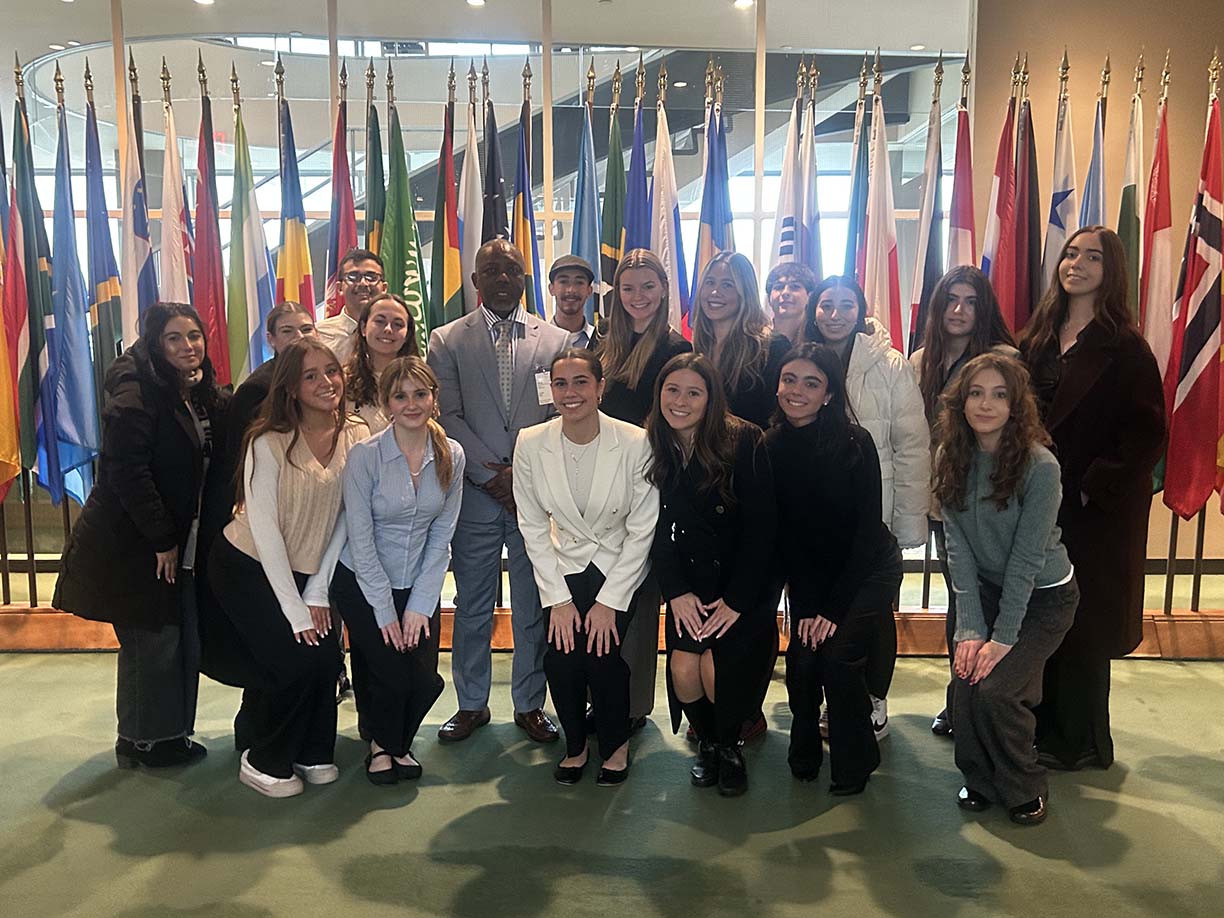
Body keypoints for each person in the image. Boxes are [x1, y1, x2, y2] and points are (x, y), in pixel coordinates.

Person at [1019, 226, 1166, 772]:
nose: (1076, 263)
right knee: (1040, 619)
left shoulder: (1125, 346)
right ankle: (1036, 729)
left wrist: (1089, 485)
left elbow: (1148, 433)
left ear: (1112, 270)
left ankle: (1078, 742)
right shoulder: (1037, 335)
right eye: (1071, 253)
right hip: (1036, 503)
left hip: (1092, 512)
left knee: (1082, 625)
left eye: (1093, 256)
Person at [55, 303, 224, 768]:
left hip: (172, 538)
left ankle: (152, 734)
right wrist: (161, 540)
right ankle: (150, 741)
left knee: (166, 636)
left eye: (194, 336)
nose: (188, 346)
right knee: (152, 639)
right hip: (136, 544)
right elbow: (127, 472)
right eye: (174, 338)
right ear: (154, 343)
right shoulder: (136, 393)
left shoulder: (193, 389)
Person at [207, 338, 368, 797]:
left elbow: (347, 519)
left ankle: (311, 750)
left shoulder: (356, 433)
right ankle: (262, 758)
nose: (325, 383)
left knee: (324, 661)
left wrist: (316, 591)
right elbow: (266, 530)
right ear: (291, 388)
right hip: (248, 566)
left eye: (331, 371)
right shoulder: (268, 440)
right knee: (293, 659)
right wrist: (296, 610)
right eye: (310, 376)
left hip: (310, 572)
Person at [427, 238, 570, 744]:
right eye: (491, 270)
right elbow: (446, 416)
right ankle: (471, 704)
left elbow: (561, 415)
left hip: (536, 498)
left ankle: (530, 704)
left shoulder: (556, 341)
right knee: (472, 607)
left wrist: (523, 477)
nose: (502, 277)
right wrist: (492, 477)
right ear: (475, 281)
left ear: (525, 278)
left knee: (534, 605)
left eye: (512, 268)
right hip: (475, 496)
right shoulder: (446, 340)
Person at [935, 351, 1079, 826]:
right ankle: (978, 778)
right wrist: (971, 629)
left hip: (1044, 595)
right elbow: (957, 551)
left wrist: (1002, 638)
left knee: (997, 691)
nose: (985, 404)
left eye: (999, 395)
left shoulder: (1040, 466)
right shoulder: (951, 456)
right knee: (966, 683)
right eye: (975, 393)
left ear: (1016, 405)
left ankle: (1023, 784)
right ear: (961, 402)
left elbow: (1026, 561)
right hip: (987, 588)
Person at [513, 348, 660, 785]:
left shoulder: (636, 441)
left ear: (599, 388)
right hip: (562, 563)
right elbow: (532, 525)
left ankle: (615, 745)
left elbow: (642, 527)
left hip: (618, 563)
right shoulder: (530, 442)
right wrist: (557, 598)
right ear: (551, 390)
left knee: (602, 653)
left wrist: (610, 601)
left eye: (581, 382)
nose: (570, 392)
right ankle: (575, 745)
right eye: (561, 384)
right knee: (561, 659)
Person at [766, 343, 902, 795]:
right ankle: (803, 746)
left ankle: (856, 759)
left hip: (870, 569)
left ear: (828, 394)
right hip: (812, 576)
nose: (796, 391)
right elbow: (785, 539)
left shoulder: (854, 443)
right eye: (789, 380)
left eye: (811, 383)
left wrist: (830, 610)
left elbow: (866, 534)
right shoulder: (771, 447)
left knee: (838, 658)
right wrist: (806, 607)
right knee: (802, 660)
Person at [803, 275, 930, 738]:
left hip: (877, 512)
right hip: (817, 517)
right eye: (825, 305)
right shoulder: (801, 359)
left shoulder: (890, 364)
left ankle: (874, 697)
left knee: (872, 613)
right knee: (821, 610)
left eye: (845, 305)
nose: (834, 314)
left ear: (860, 310)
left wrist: (908, 520)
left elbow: (912, 445)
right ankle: (830, 698)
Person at [646, 353, 777, 796]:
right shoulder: (655, 444)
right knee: (684, 670)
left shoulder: (744, 440)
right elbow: (656, 530)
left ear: (711, 398)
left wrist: (738, 600)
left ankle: (729, 746)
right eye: (672, 390)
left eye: (694, 392)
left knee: (715, 669)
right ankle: (709, 742)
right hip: (689, 583)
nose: (680, 401)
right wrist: (676, 592)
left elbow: (762, 532)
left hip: (742, 585)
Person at [334, 357, 465, 785]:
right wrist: (385, 609)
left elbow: (441, 533)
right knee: (385, 670)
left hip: (419, 582)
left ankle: (395, 740)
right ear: (386, 403)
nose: (412, 404)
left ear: (434, 398)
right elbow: (360, 535)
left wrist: (420, 605)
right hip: (363, 580)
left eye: (420, 394)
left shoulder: (452, 454)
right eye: (400, 396)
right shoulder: (365, 456)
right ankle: (383, 746)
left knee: (422, 679)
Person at [909, 266, 1017, 737]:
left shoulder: (1004, 361)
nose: (959, 310)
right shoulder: (918, 362)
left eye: (970, 301)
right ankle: (962, 697)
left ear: (984, 308)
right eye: (951, 299)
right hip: (941, 502)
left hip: (990, 503)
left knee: (987, 599)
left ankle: (982, 703)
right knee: (962, 600)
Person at [198, 302, 318, 715]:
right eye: (288, 331)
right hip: (256, 538)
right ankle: (256, 737)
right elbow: (240, 469)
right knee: (271, 649)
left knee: (300, 647)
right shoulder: (258, 389)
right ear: (271, 339)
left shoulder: (313, 381)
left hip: (302, 535)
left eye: (306, 328)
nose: (299, 338)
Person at [594, 248, 692, 726]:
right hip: (598, 483)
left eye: (648, 287)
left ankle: (631, 707)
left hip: (652, 479)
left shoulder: (676, 350)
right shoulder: (601, 344)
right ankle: (601, 694)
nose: (638, 297)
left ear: (664, 291)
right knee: (600, 587)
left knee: (638, 592)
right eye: (629, 288)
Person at [691, 251, 790, 430]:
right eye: (710, 282)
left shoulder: (772, 347)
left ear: (745, 292)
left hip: (752, 453)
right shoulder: (695, 348)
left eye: (727, 285)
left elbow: (779, 417)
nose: (715, 292)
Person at [346, 292, 420, 435]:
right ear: (363, 328)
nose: (388, 329)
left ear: (407, 335)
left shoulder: (420, 380)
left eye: (398, 324)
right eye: (380, 321)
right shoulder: (343, 381)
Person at [316, 249, 389, 364]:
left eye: (371, 277)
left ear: (384, 288)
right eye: (353, 276)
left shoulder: (396, 333)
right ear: (339, 288)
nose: (363, 283)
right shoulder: (318, 336)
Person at [549, 254, 597, 348]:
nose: (571, 290)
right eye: (563, 282)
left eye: (579, 283)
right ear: (551, 289)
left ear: (589, 290)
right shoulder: (538, 340)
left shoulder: (601, 342)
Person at [765, 261, 817, 344]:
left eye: (795, 287)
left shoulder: (818, 338)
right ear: (768, 298)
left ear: (809, 297)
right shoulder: (756, 339)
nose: (785, 293)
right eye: (779, 287)